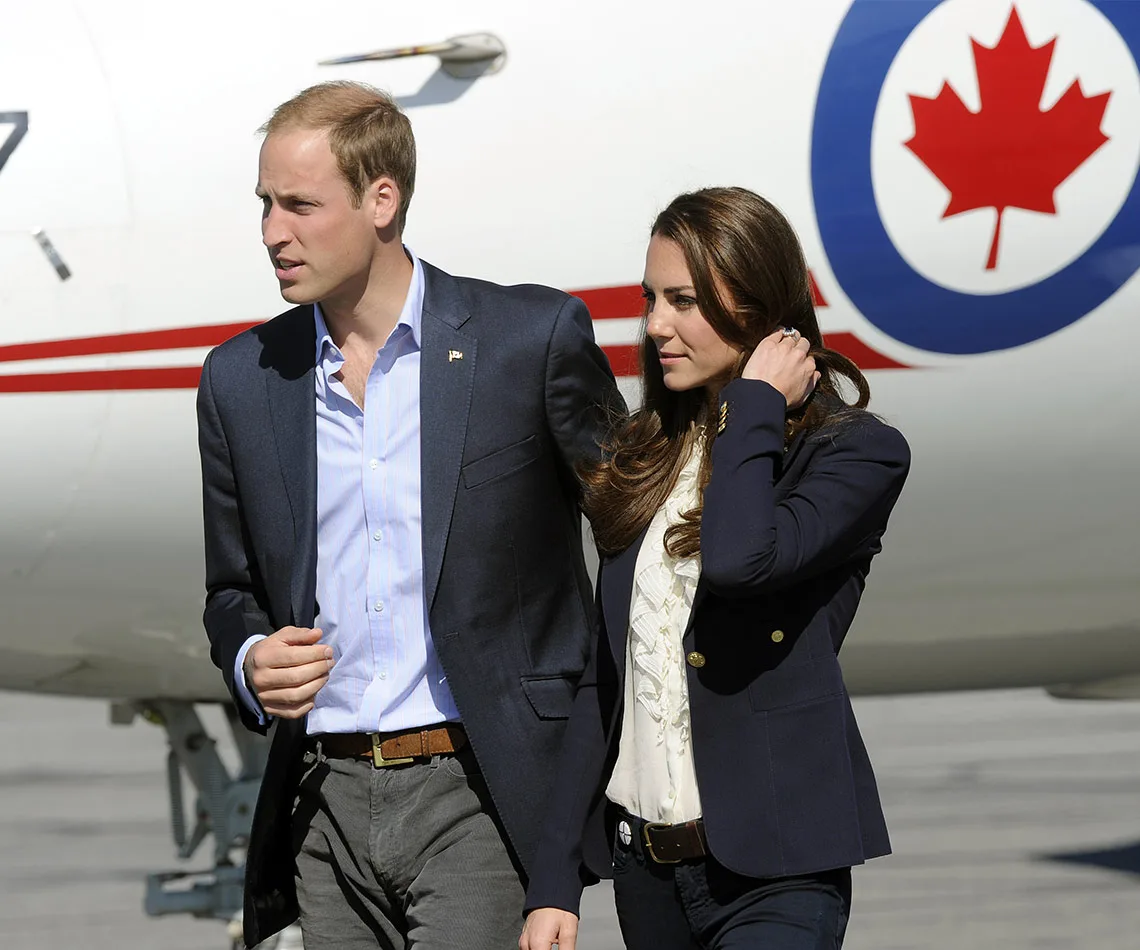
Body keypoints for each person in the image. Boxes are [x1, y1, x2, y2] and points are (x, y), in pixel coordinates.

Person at [196, 80, 622, 950]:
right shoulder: (240, 380)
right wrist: (249, 657)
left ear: (381, 199)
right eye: (265, 205)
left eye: (301, 205)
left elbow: (636, 529)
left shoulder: (525, 341)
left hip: (480, 787)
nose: (274, 231)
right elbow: (231, 588)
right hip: (325, 806)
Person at [520, 187, 910, 950]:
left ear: (762, 312)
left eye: (684, 300)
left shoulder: (853, 454)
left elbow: (739, 561)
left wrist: (756, 402)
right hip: (648, 879)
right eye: (650, 298)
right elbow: (609, 680)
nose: (654, 324)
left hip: (778, 875)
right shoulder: (642, 458)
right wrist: (555, 881)